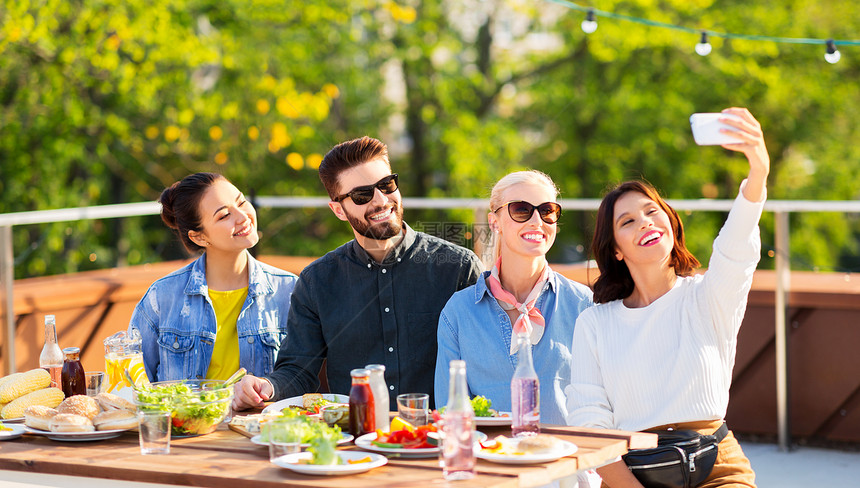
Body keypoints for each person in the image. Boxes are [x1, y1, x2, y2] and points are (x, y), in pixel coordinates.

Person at [565, 108, 767, 487]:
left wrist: (757, 171)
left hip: (716, 464)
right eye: (627, 221)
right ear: (617, 251)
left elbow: (735, 246)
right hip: (631, 471)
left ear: (671, 224)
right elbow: (589, 422)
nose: (644, 222)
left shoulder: (708, 297)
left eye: (651, 211)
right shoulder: (595, 322)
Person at [233, 136, 483, 410]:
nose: (380, 200)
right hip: (354, 443)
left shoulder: (458, 267)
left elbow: (485, 363)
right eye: (362, 195)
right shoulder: (316, 281)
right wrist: (266, 386)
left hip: (437, 439)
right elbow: (298, 371)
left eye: (386, 185)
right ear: (338, 210)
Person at [434, 170, 592, 424]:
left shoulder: (582, 303)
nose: (536, 221)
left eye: (547, 211)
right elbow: (449, 412)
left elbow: (601, 404)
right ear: (494, 222)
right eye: (521, 210)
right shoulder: (458, 313)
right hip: (489, 459)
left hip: (567, 459)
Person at [129, 172, 298, 382]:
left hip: (264, 415)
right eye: (224, 215)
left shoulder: (289, 290)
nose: (243, 216)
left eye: (242, 202)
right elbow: (132, 383)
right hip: (182, 415)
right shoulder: (161, 297)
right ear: (199, 237)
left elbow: (300, 375)